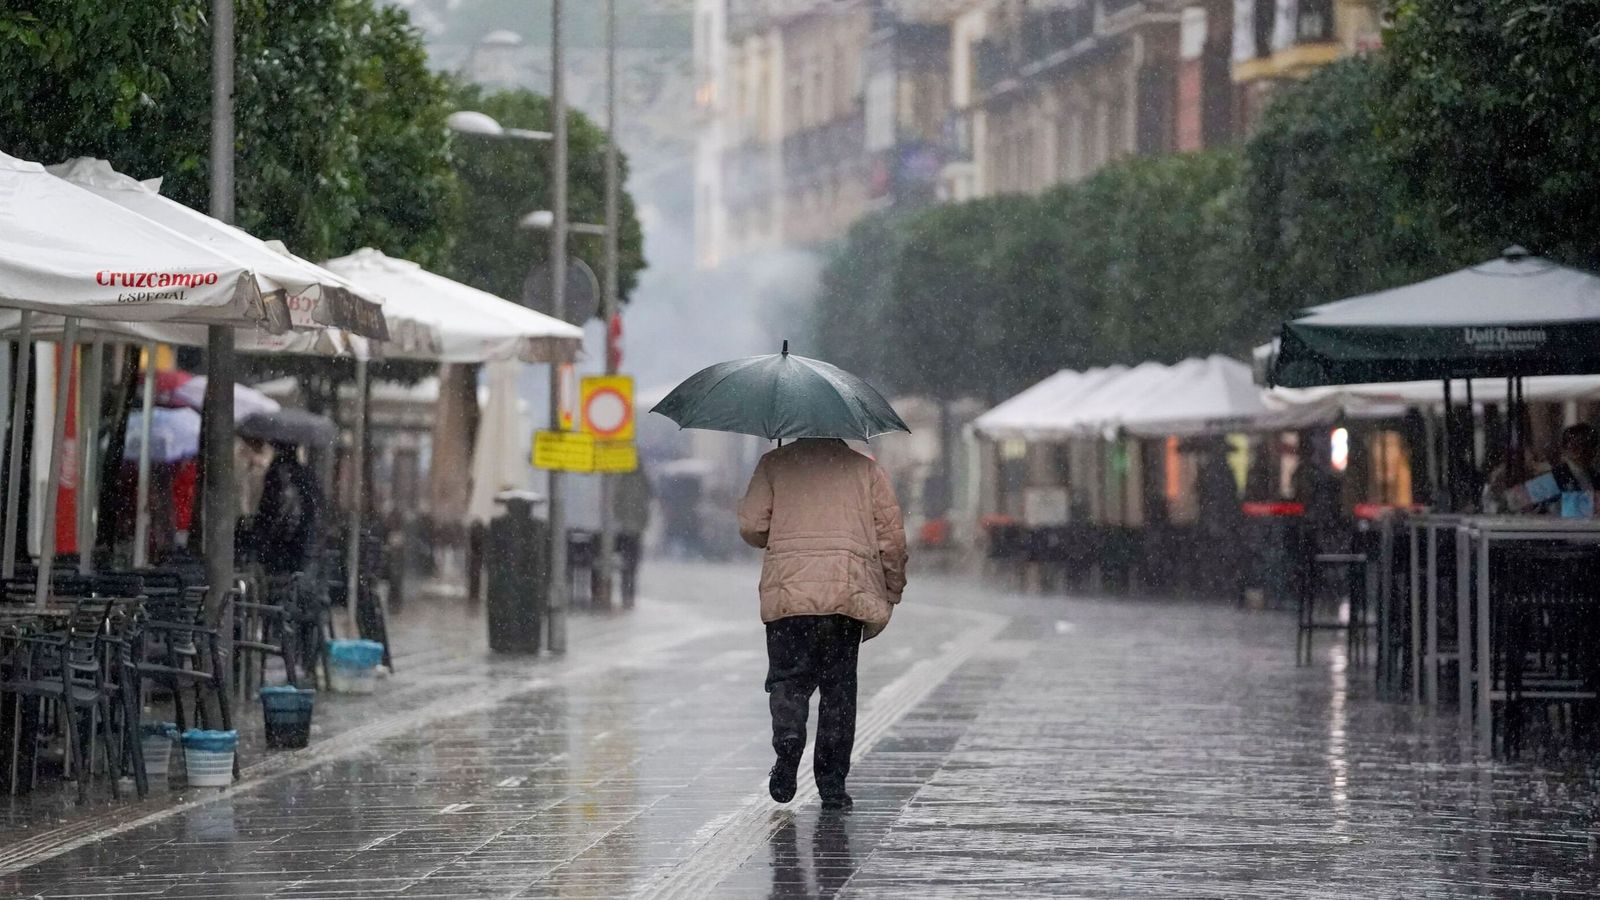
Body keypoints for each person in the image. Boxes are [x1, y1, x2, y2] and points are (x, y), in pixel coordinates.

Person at [737, 438, 908, 811]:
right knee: (838, 691)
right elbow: (891, 538)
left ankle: (788, 742)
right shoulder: (866, 470)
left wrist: (780, 525)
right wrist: (893, 586)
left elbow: (752, 526)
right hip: (843, 599)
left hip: (789, 597)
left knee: (788, 681)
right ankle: (832, 784)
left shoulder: (774, 463)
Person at [610, 466, 653, 606]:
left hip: (624, 529)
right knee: (631, 565)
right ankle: (628, 595)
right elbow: (648, 498)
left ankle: (627, 593)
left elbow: (616, 501)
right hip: (634, 530)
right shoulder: (642, 479)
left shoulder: (621, 478)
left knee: (627, 564)